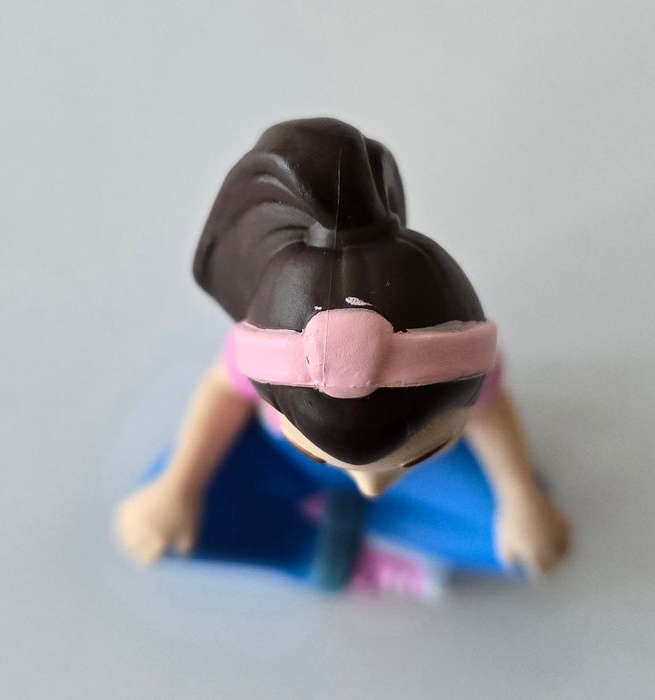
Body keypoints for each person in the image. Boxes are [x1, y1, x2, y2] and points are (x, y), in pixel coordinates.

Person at [115, 118, 570, 597]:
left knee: (524, 546)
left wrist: (520, 497)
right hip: (283, 462)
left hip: (418, 478)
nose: (370, 485)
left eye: (427, 444)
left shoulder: (457, 381)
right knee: (162, 522)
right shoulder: (263, 358)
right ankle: (330, 555)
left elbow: (490, 410)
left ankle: (362, 522)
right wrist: (178, 488)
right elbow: (222, 392)